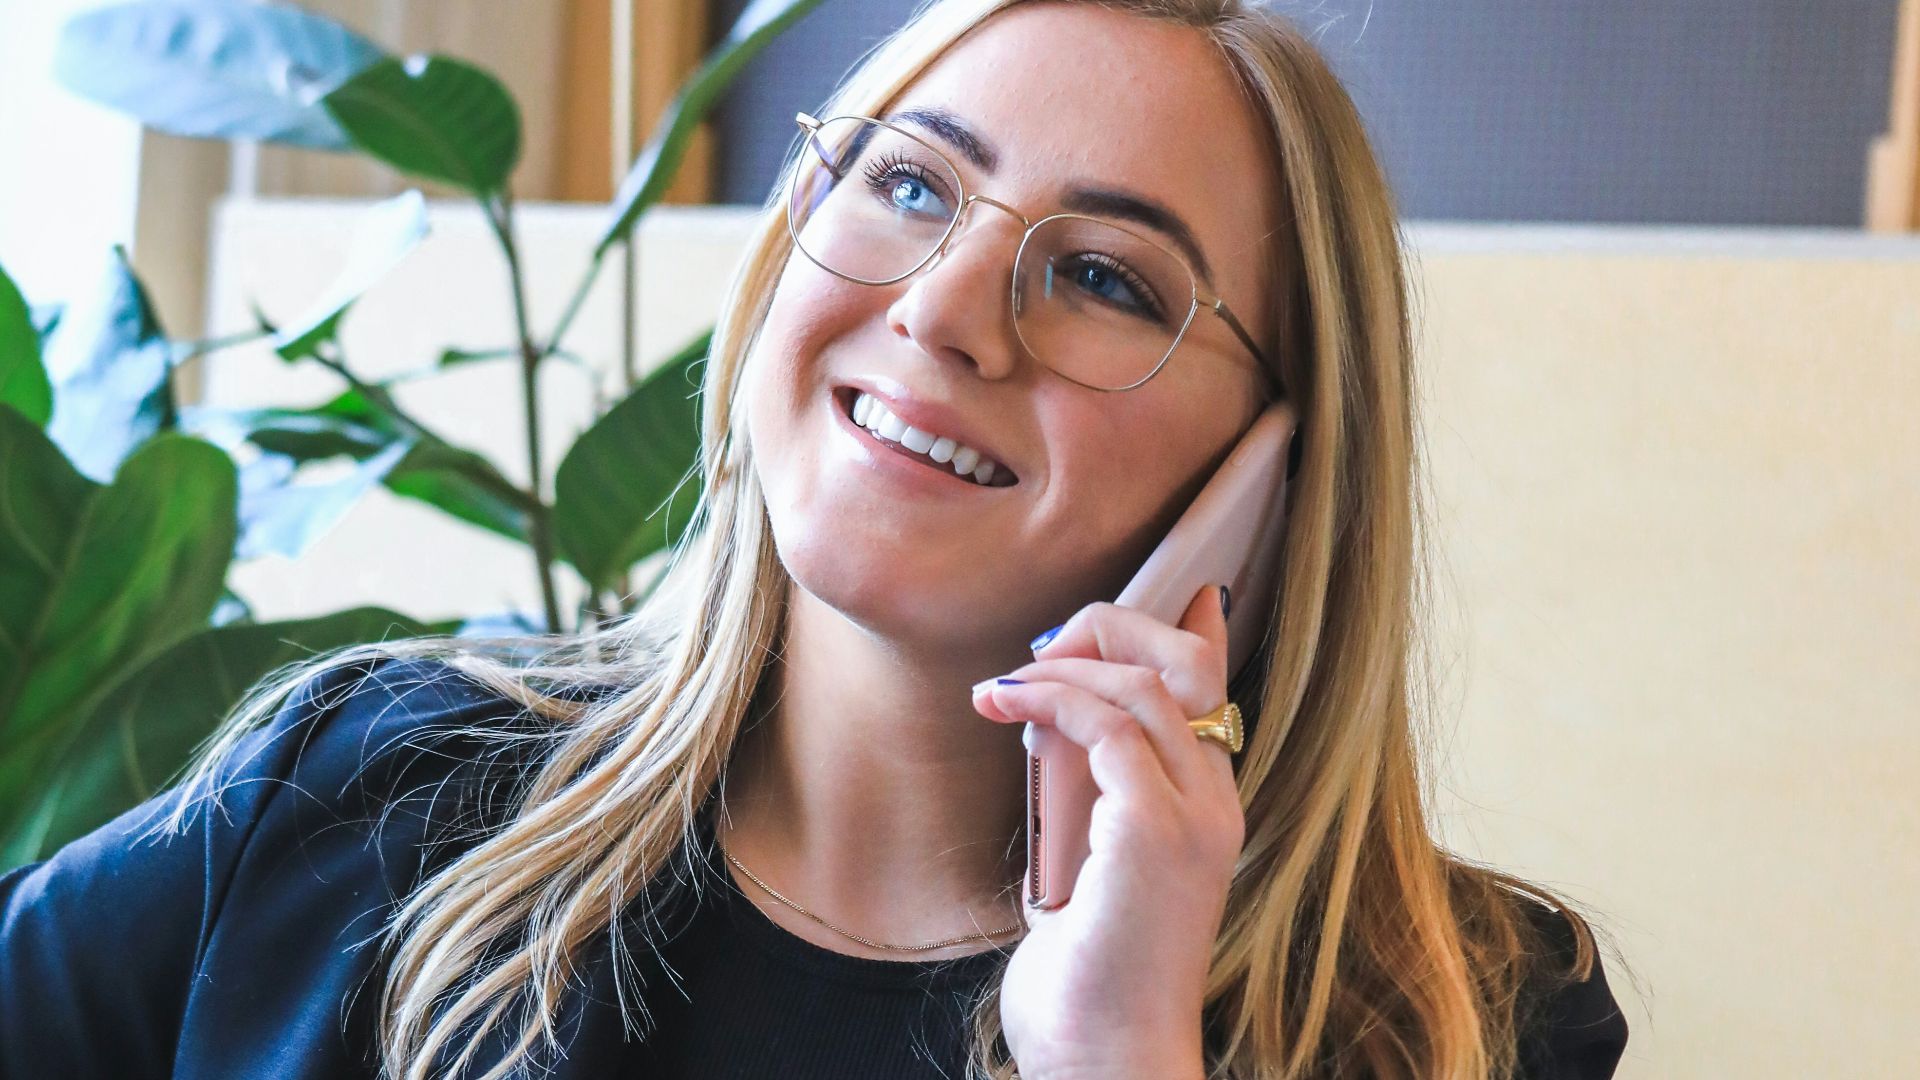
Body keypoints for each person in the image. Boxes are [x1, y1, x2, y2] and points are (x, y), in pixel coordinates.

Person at [0, 1, 1632, 1077]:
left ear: (1278, 464)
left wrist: (1122, 1049)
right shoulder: (357, 793)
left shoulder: (1461, 1015)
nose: (940, 314)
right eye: (911, 188)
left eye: (1108, 278)